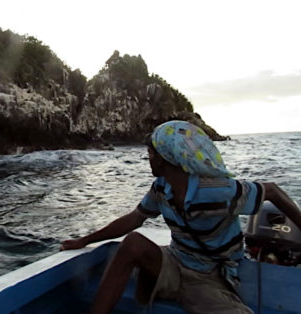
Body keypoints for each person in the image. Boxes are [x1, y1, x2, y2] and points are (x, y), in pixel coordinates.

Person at [60, 120, 301, 314]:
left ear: (167, 157)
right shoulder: (161, 188)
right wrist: (84, 240)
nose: (148, 159)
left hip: (209, 277)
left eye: (151, 153)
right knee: (133, 243)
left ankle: (157, 290)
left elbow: (272, 190)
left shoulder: (217, 191)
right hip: (174, 259)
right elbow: (135, 218)